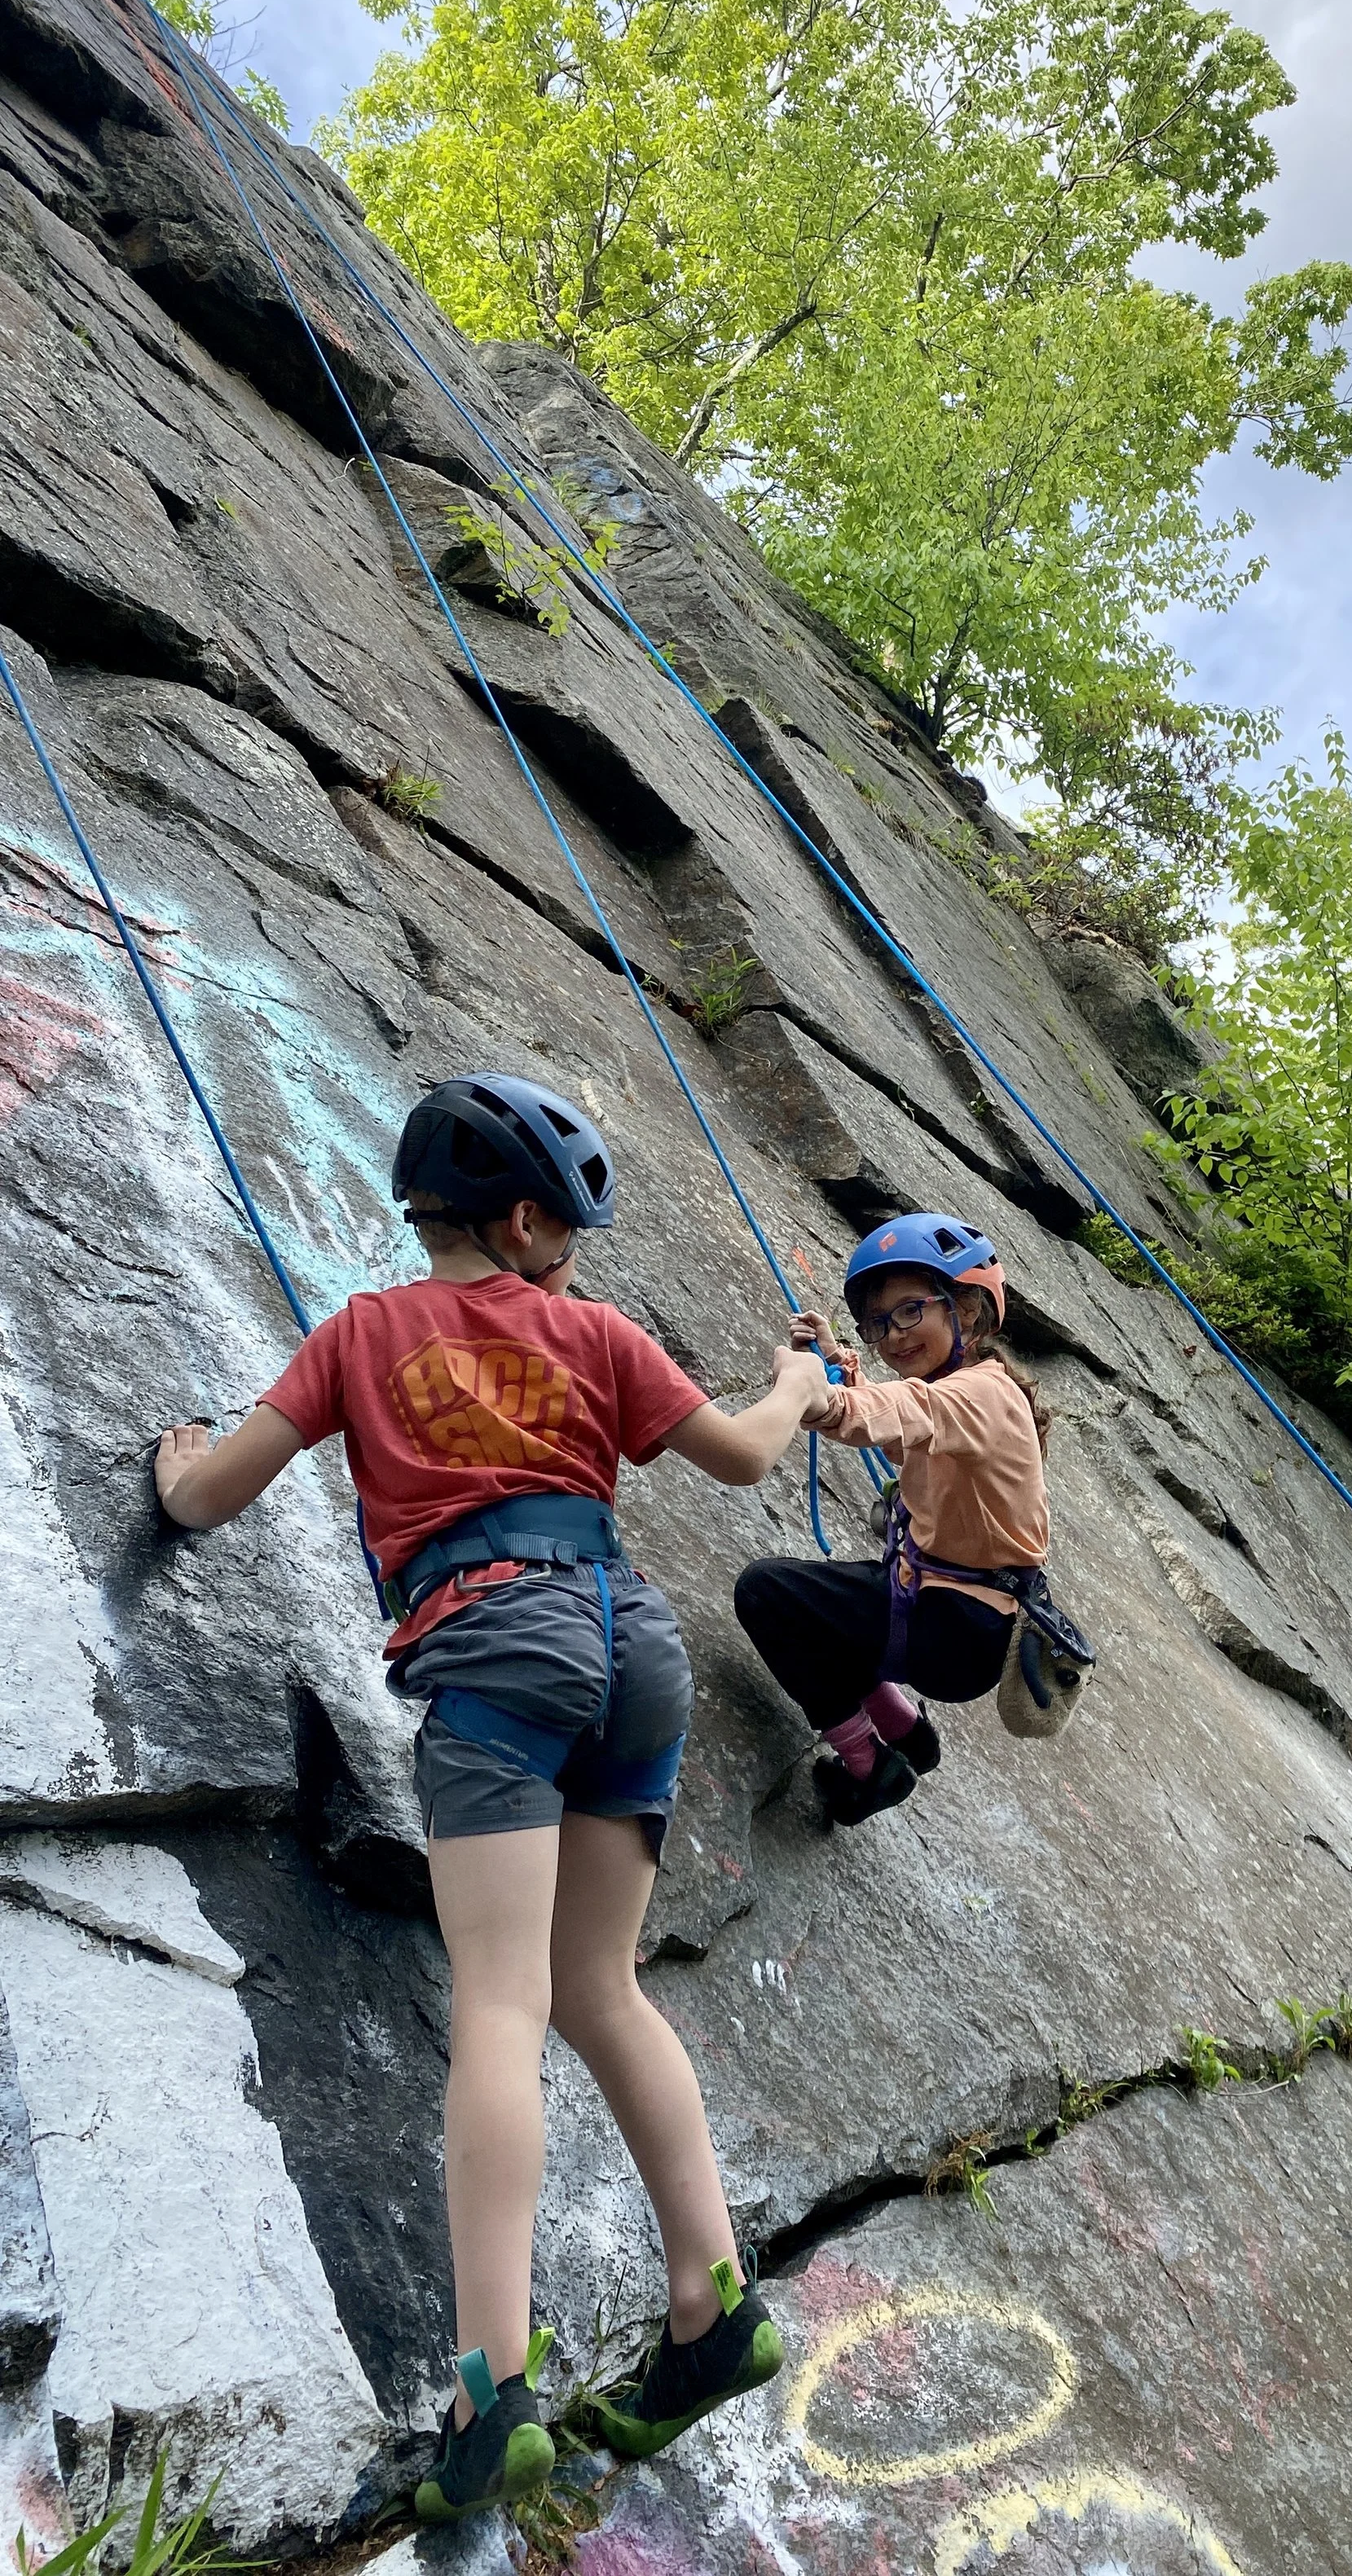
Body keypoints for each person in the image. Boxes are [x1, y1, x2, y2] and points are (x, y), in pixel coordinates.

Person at [152, 1075, 832, 2521]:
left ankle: (492, 2392)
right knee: (602, 1987)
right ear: (524, 1221)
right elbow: (745, 1451)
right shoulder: (595, 1334)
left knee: (502, 2007)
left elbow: (211, 1497)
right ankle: (714, 2313)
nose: (573, 1265)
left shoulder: (360, 1332)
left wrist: (173, 1466)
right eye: (568, 1235)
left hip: (495, 1645)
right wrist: (796, 1379)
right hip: (629, 1644)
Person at [733, 1214, 1050, 1825]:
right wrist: (835, 1360)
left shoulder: (981, 1395)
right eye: (879, 1323)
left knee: (769, 1594)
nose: (894, 1335)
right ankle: (907, 1732)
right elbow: (904, 1434)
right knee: (830, 1604)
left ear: (969, 1311)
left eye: (911, 1312)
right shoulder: (968, 1391)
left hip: (954, 1627)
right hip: (957, 1623)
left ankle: (869, 1765)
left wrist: (816, 1397)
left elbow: (907, 1407)